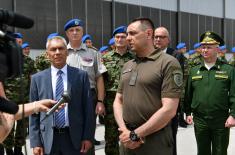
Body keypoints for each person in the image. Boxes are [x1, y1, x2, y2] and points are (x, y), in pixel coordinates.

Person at [113, 17, 183, 155]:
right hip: (127, 139)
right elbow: (118, 100)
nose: (128, 38)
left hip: (154, 141)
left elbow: (169, 109)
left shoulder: (168, 63)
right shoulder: (128, 65)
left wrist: (136, 134)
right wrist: (126, 132)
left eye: (133, 33)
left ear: (149, 34)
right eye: (127, 34)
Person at [29, 35, 95, 155]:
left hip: (74, 138)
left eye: (61, 48)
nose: (57, 52)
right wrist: (35, 142)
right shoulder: (37, 79)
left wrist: (88, 136)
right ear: (47, 54)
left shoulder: (81, 76)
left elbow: (88, 109)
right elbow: (34, 115)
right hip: (47, 139)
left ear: (67, 52)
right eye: (53, 49)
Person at [184, 31, 235, 155]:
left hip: (221, 120)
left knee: (220, 151)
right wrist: (187, 112)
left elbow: (234, 94)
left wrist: (233, 115)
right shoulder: (195, 70)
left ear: (217, 49)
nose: (205, 50)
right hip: (200, 120)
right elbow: (188, 94)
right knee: (202, 151)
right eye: (203, 47)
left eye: (209, 47)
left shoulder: (228, 70)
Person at [65, 19, 106, 148]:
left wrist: (100, 101)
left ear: (83, 32)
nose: (75, 33)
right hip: (68, 96)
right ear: (67, 34)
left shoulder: (94, 53)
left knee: (88, 131)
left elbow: (99, 78)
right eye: (71, 30)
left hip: (90, 95)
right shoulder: (61, 52)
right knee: (69, 130)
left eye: (78, 30)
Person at [102, 25, 134, 155]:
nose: (120, 39)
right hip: (110, 102)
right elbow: (101, 81)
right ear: (114, 39)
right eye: (117, 37)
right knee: (110, 137)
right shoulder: (105, 58)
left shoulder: (134, 58)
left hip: (130, 101)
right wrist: (100, 101)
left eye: (123, 37)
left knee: (130, 135)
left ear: (127, 39)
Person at [4, 32, 36, 155]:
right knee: (9, 127)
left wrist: (33, 98)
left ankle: (18, 150)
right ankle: (9, 151)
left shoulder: (28, 61)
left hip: (24, 100)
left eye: (20, 42)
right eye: (15, 42)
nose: (18, 45)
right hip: (8, 100)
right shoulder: (5, 61)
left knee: (22, 128)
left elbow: (32, 79)